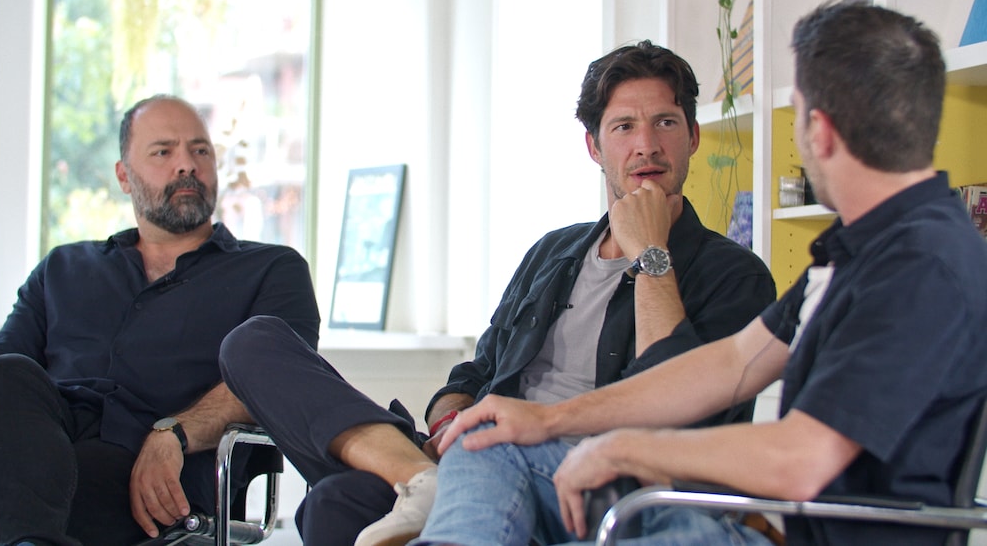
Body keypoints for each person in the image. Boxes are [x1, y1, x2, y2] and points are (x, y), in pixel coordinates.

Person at [424, 2, 987, 546]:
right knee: (496, 453)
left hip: (792, 524)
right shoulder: (861, 253)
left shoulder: (918, 265)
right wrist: (550, 422)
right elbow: (733, 363)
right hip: (750, 517)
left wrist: (621, 449)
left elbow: (801, 460)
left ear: (818, 130)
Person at [219, 39, 775, 546]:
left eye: (666, 123)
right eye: (624, 127)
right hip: (481, 453)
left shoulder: (734, 274)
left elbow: (677, 416)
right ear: (593, 146)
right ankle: (418, 477)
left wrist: (652, 251)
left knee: (344, 502)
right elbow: (477, 372)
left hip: (595, 481)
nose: (646, 146)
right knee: (260, 352)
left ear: (694, 137)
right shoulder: (552, 252)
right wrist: (448, 422)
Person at [0, 95, 321, 546]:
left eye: (200, 150)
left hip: (167, 476)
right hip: (47, 452)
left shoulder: (271, 270)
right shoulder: (62, 268)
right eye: (163, 151)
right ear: (124, 175)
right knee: (5, 378)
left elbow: (279, 378)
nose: (186, 165)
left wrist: (173, 433)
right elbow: (1, 379)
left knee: (42, 484)